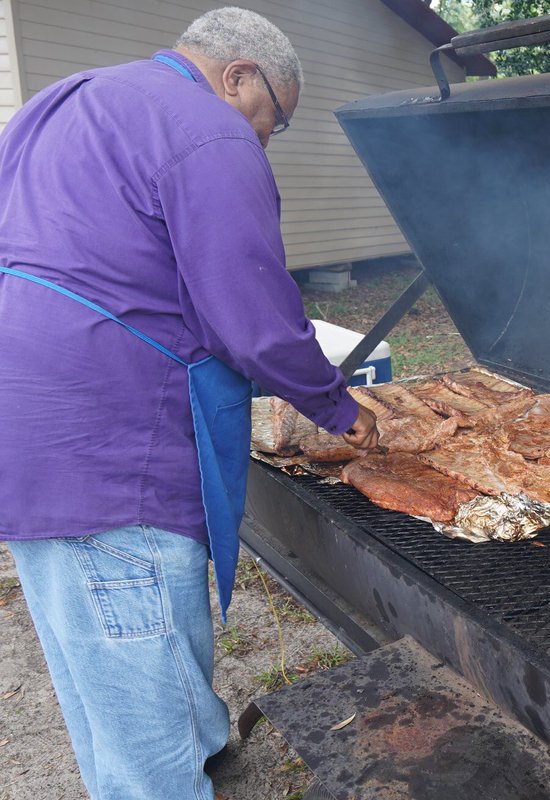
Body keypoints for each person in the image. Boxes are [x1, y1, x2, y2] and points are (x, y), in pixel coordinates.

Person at [0, 7, 379, 799]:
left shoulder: (65, 98)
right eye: (274, 120)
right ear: (239, 76)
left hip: (25, 419)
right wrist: (340, 408)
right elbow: (254, 315)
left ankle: (199, 748)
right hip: (108, 435)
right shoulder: (208, 127)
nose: (265, 139)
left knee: (95, 650)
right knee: (134, 645)